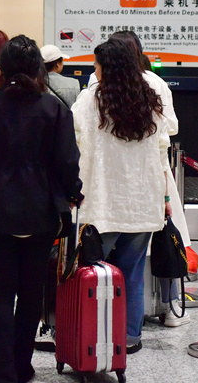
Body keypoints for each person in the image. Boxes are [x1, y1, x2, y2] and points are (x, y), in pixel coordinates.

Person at [0, 35, 82, 383]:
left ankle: (2, 381)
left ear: (2, 69)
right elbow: (66, 162)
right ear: (37, 70)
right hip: (40, 213)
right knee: (31, 293)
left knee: (1, 292)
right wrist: (73, 194)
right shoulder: (54, 109)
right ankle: (22, 365)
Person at [71, 36, 172, 354]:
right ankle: (130, 337)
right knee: (131, 275)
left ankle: (97, 333)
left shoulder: (90, 101)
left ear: (106, 68)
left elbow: (75, 142)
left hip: (103, 205)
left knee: (94, 274)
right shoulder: (149, 99)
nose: (95, 70)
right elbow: (162, 150)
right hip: (142, 203)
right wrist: (165, 198)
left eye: (96, 65)